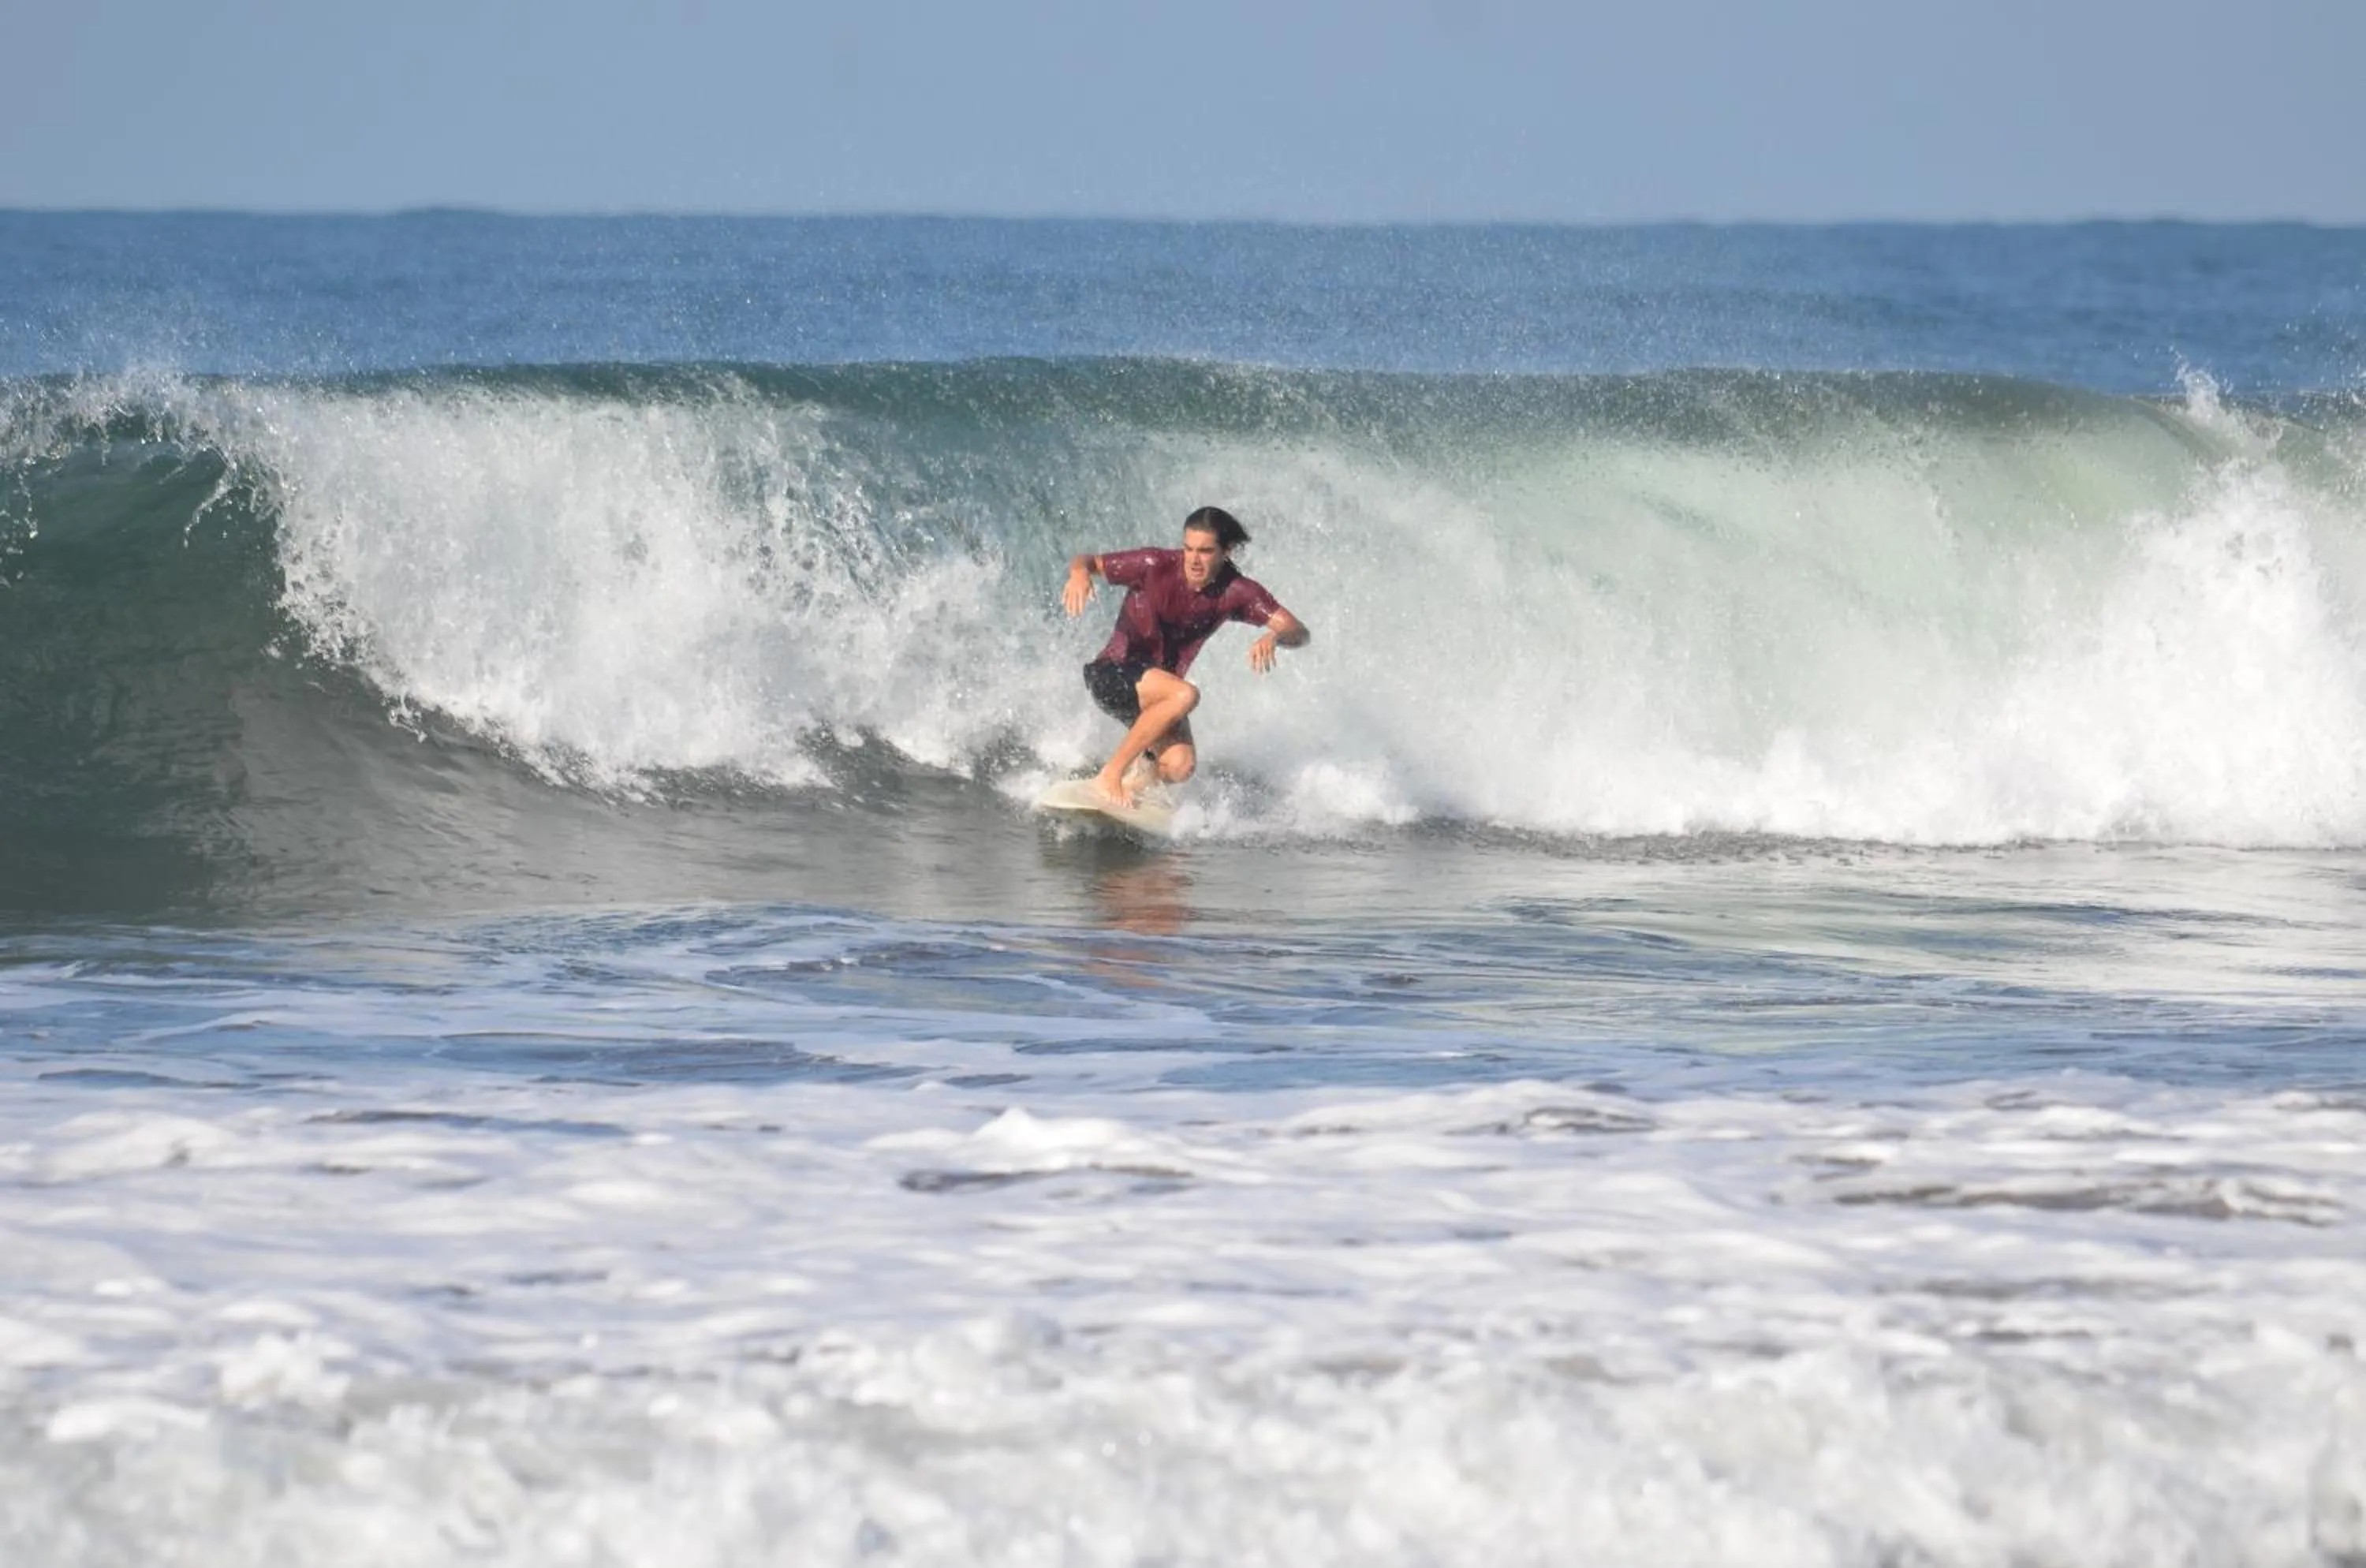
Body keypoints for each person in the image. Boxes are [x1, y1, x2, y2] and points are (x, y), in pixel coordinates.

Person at [1061, 506, 1309, 807]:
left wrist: (1276, 636)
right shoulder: (1154, 564)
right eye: (1188, 548)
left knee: (1180, 767)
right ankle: (1110, 775)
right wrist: (1079, 575)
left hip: (1158, 696)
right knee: (1186, 695)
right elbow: (1088, 561)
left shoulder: (1237, 591)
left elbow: (1298, 632)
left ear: (1226, 551)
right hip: (1112, 674)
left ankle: (1140, 776)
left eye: (1205, 551)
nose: (1193, 559)